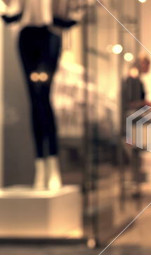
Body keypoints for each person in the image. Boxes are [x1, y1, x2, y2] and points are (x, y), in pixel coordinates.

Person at [1, 0, 88, 190]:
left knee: (44, 97)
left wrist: (67, 18)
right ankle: (40, 164)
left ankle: (52, 163)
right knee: (34, 99)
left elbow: (79, 6)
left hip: (51, 33)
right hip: (26, 34)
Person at [121, 53, 151, 184]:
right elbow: (128, 103)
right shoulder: (132, 79)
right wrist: (143, 103)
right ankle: (134, 181)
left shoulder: (134, 79)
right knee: (133, 150)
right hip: (131, 120)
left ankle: (135, 179)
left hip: (133, 119)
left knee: (135, 150)